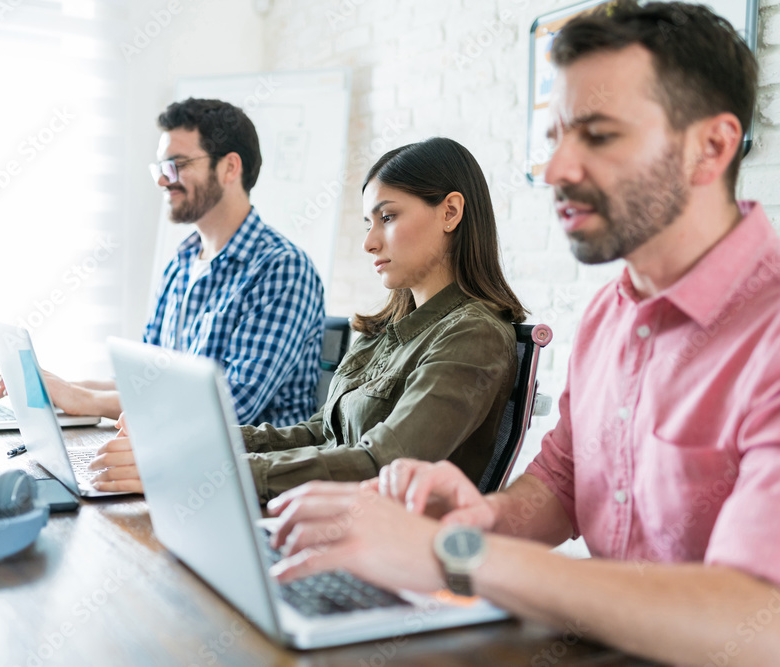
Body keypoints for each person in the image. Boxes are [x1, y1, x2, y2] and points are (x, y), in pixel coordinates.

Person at [263, 3, 780, 665]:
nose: (557, 167)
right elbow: (563, 483)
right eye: (556, 134)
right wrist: (481, 516)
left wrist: (453, 554)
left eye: (597, 134)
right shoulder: (609, 314)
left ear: (711, 147)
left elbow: (756, 616)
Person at [88, 137, 528, 502]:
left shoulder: (474, 334)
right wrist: (195, 438)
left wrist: (207, 469)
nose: (370, 243)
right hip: (320, 517)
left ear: (450, 212)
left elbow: (380, 465)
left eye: (388, 217)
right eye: (367, 223)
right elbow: (321, 431)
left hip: (381, 549)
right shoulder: (388, 330)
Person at [0, 98, 325, 428]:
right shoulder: (182, 262)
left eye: (177, 164)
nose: (163, 180)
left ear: (229, 167)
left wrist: (82, 399)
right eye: (160, 167)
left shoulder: (282, 268)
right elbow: (144, 383)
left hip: (253, 475)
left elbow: (231, 406)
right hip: (172, 451)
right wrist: (53, 385)